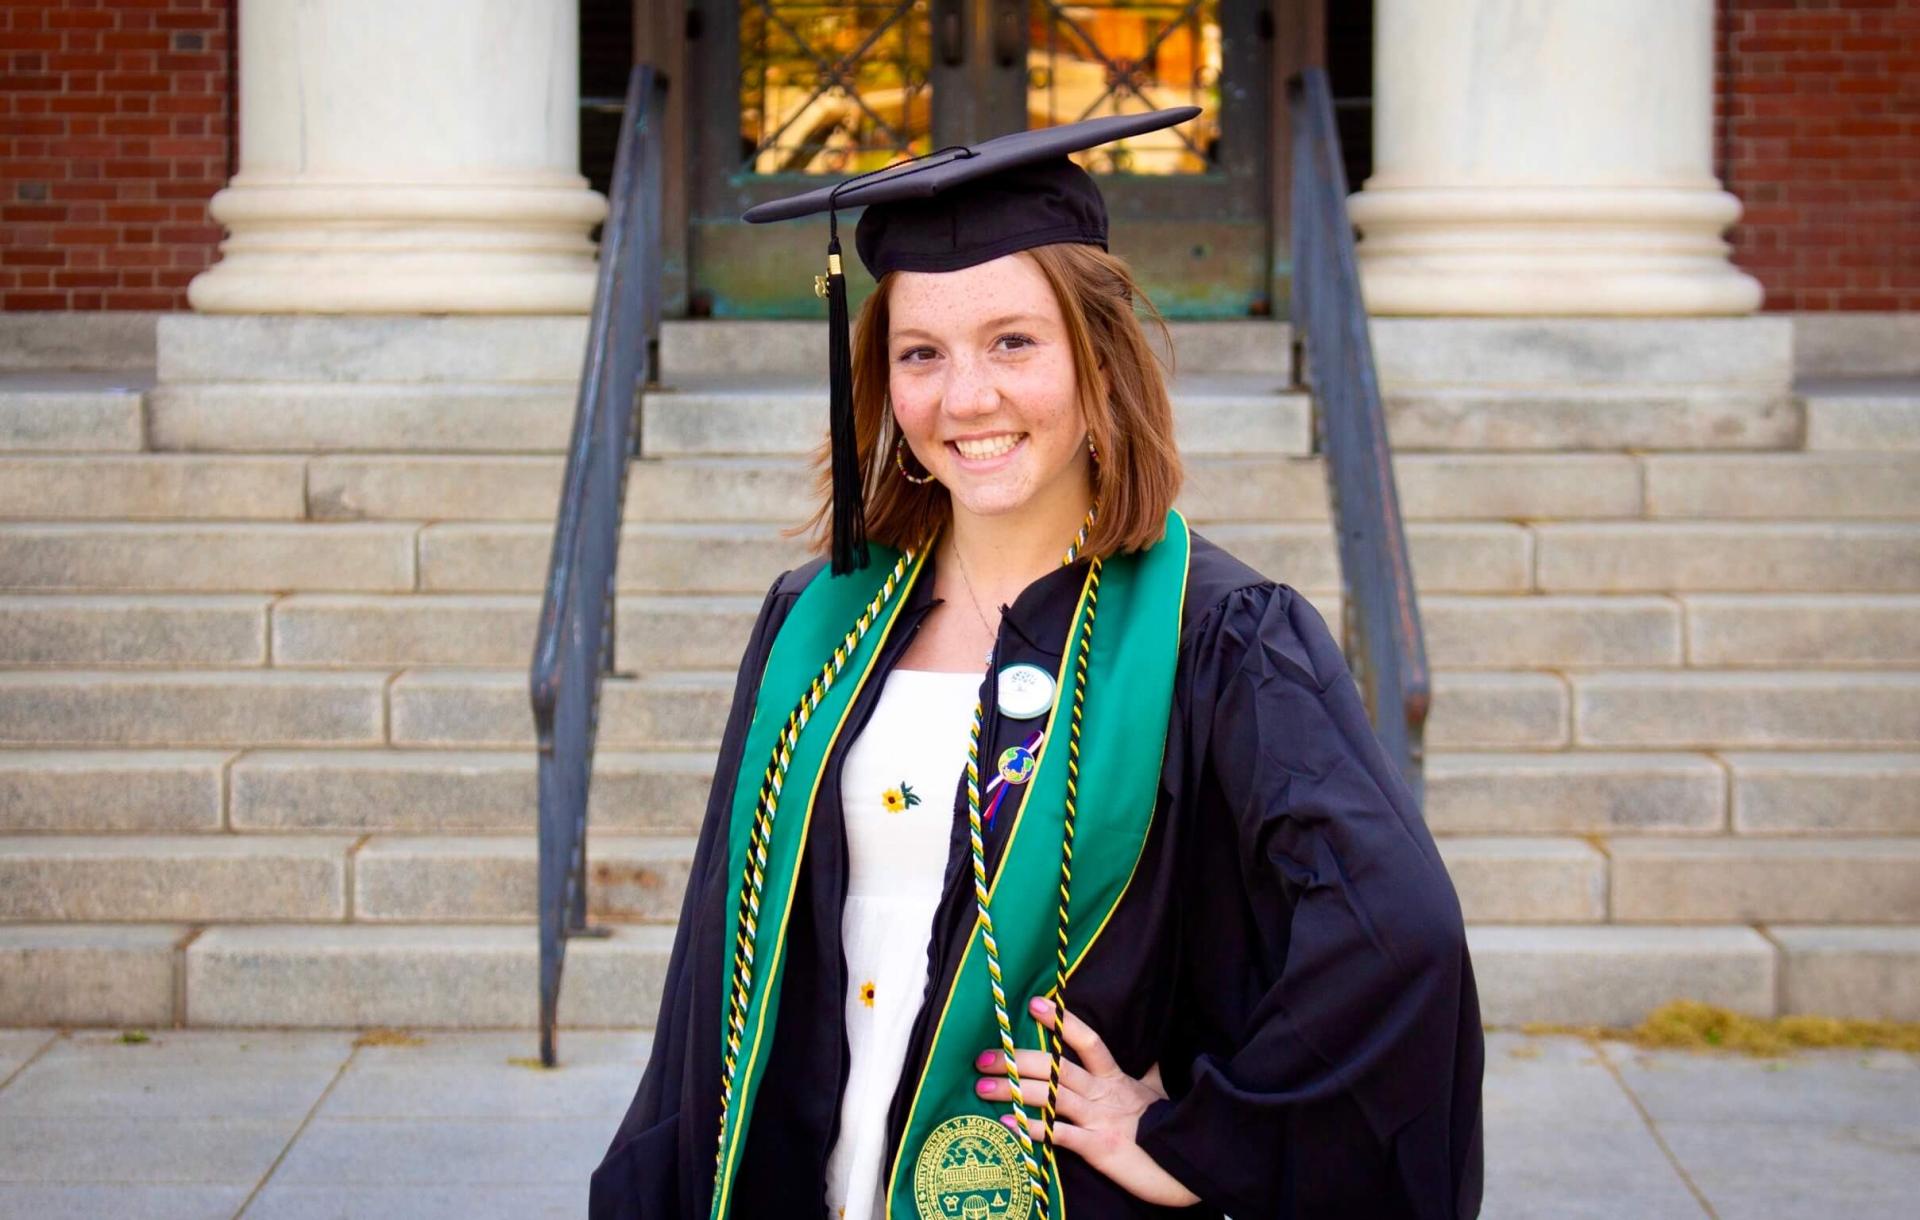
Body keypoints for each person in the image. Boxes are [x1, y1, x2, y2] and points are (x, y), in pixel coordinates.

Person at [590, 108, 1483, 1220]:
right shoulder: (814, 630)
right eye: (923, 353)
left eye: (1013, 341)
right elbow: (714, 965)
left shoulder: (1219, 639)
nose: (966, 397)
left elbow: (1396, 932)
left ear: (1095, 361)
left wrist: (1205, 1138)